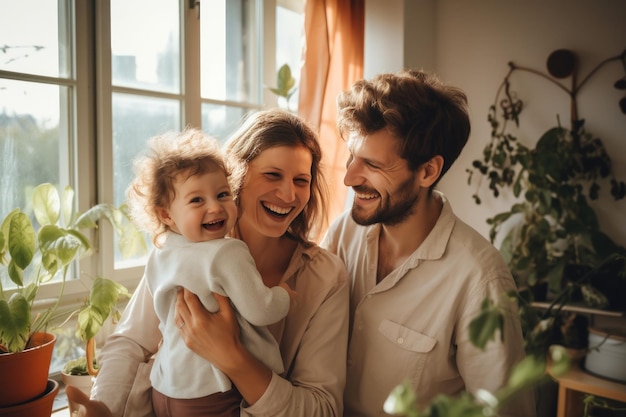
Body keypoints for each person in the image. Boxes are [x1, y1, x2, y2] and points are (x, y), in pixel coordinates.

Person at [69, 109, 350, 417]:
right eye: (272, 175)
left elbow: (322, 409)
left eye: (301, 180)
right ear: (236, 175)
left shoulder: (325, 278)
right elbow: (131, 342)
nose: (288, 193)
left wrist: (234, 357)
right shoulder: (183, 248)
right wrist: (103, 406)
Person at [320, 69, 536, 417]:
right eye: (352, 157)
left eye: (372, 165)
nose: (348, 178)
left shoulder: (480, 280)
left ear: (427, 172)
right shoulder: (344, 232)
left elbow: (505, 410)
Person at [125, 129, 295, 417]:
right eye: (197, 201)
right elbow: (261, 310)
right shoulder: (228, 252)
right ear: (166, 214)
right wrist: (284, 295)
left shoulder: (161, 253)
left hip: (164, 387)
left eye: (222, 194)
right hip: (208, 394)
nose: (215, 207)